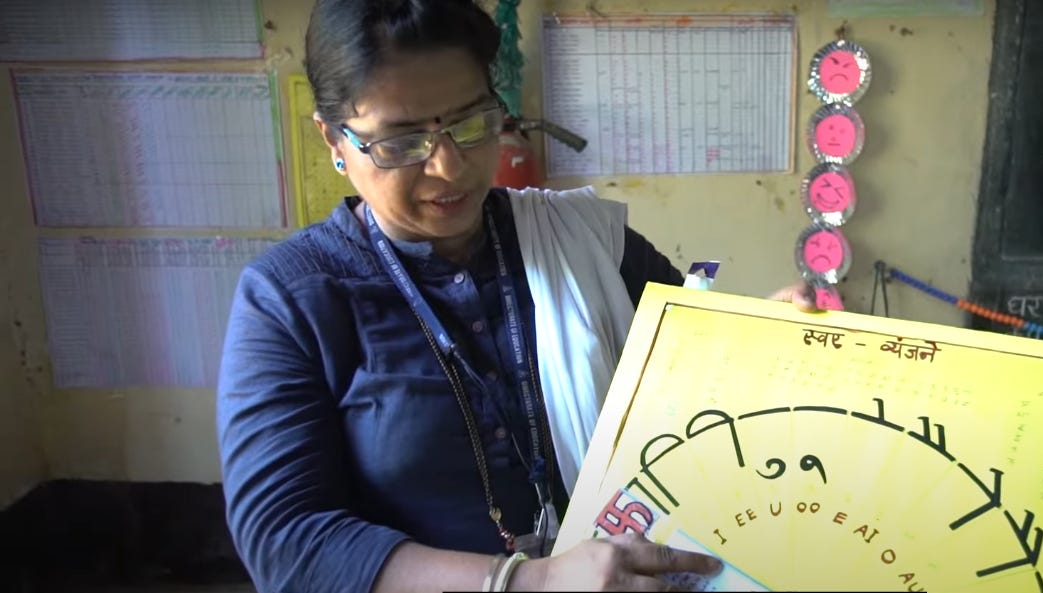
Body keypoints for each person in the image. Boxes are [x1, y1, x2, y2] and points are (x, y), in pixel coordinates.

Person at [215, 1, 817, 591]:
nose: (449, 167)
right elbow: (285, 540)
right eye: (401, 143)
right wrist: (529, 581)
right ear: (332, 138)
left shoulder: (586, 241)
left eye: (471, 124)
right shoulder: (291, 298)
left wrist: (772, 343)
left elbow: (701, 378)